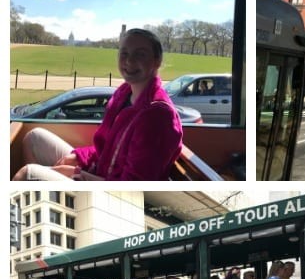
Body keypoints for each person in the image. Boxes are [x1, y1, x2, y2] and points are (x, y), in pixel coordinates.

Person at [13, 29, 183, 182]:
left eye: (140, 54)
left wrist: (78, 174)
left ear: (157, 61)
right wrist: (78, 157)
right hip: (98, 170)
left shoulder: (157, 116)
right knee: (33, 137)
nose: (129, 61)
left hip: (108, 188)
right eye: (124, 53)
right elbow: (105, 148)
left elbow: (133, 185)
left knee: (27, 173)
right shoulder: (123, 93)